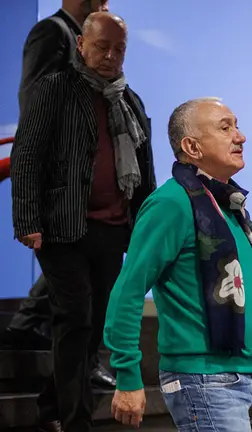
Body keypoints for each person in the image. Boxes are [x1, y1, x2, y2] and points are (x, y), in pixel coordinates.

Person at [10, 12, 155, 432]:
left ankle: (50, 405)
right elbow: (27, 157)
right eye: (102, 46)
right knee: (75, 319)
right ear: (81, 45)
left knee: (95, 326)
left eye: (118, 49)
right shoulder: (53, 90)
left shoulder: (129, 100)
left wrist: (145, 229)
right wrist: (27, 220)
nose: (110, 56)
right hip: (62, 228)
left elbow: (144, 169)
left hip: (113, 230)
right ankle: (75, 422)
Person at [105, 97, 252, 430]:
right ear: (192, 146)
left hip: (234, 379)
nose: (240, 136)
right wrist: (127, 373)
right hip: (203, 381)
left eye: (236, 125)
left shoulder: (227, 206)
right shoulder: (171, 203)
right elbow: (129, 290)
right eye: (226, 128)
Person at [3, 0, 116, 391]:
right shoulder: (52, 32)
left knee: (83, 268)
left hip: (87, 182)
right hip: (64, 179)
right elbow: (36, 100)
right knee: (75, 275)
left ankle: (27, 323)